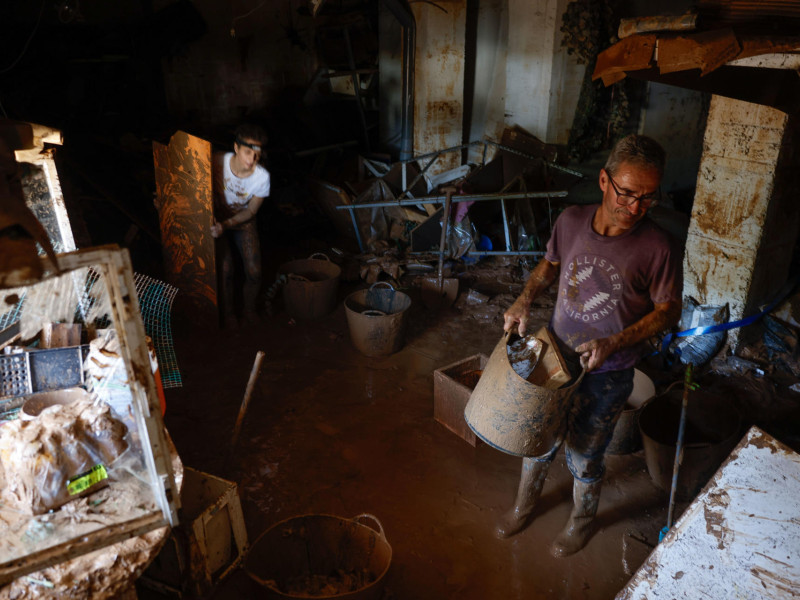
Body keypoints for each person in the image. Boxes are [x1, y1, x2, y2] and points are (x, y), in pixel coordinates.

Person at [498, 134, 682, 557]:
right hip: (556, 354)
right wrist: (525, 299)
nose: (635, 208)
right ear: (604, 180)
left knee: (586, 453)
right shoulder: (570, 220)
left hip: (609, 372)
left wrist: (614, 342)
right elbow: (552, 262)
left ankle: (581, 522)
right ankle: (523, 506)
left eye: (648, 198)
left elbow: (668, 311)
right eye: (628, 193)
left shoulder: (657, 247)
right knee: (538, 436)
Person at [211, 124, 271, 326]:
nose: (252, 160)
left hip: (243, 221)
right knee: (226, 269)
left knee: (254, 271)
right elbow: (190, 182)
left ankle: (249, 309)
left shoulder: (262, 177)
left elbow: (252, 210)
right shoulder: (217, 161)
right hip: (216, 220)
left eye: (256, 154)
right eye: (247, 152)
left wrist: (227, 224)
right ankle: (228, 314)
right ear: (236, 148)